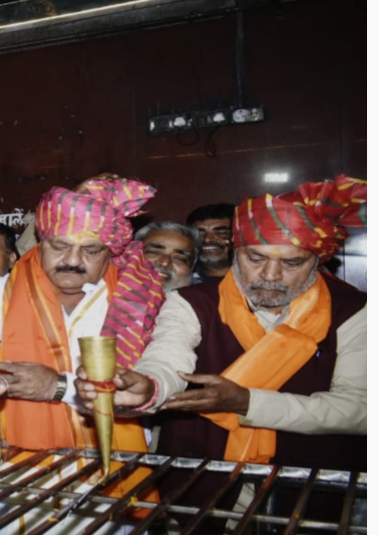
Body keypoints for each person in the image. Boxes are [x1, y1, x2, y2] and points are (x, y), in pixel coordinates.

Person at [80, 176, 366, 528]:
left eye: (292, 263)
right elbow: (169, 356)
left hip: (312, 491)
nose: (270, 275)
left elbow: (360, 409)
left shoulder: (354, 310)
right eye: (255, 258)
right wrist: (149, 386)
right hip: (202, 486)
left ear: (318, 259)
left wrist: (247, 403)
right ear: (235, 251)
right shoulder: (192, 302)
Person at [0, 174, 166, 533]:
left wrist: (59, 387)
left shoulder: (138, 298)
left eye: (91, 250)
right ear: (41, 240)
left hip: (108, 480)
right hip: (8, 476)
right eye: (60, 246)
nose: (72, 261)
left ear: (111, 250)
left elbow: (149, 385)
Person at [135, 221, 201, 291]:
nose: (165, 262)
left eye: (179, 258)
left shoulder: (202, 297)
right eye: (154, 253)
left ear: (192, 268)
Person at [186, 203, 236, 283]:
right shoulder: (181, 280)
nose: (207, 239)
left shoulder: (254, 279)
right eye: (200, 234)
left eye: (222, 233)